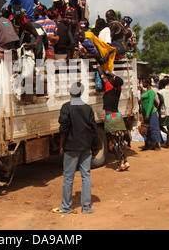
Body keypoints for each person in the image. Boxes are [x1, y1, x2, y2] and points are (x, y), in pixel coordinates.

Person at [54, 82, 98, 214]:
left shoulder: (66, 107)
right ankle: (86, 207)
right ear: (81, 93)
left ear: (70, 92)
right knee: (86, 175)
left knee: (68, 177)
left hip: (71, 146)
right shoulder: (88, 109)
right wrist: (94, 147)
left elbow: (64, 129)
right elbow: (93, 129)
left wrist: (61, 146)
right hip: (86, 146)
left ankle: (66, 207)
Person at [103, 75, 129, 171]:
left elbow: (102, 76)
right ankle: (125, 161)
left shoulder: (109, 87)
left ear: (112, 83)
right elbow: (116, 80)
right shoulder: (119, 90)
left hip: (111, 118)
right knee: (121, 141)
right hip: (118, 118)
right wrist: (113, 77)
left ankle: (119, 163)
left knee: (114, 143)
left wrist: (98, 67)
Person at [140, 77, 162, 150]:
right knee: (146, 129)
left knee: (153, 128)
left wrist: (148, 114)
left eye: (143, 82)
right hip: (145, 113)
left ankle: (156, 145)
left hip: (151, 113)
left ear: (147, 83)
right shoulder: (146, 92)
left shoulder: (151, 92)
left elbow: (150, 103)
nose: (142, 84)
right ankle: (147, 144)